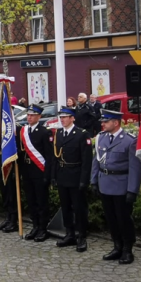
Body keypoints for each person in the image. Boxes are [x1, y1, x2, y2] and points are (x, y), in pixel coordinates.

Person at [91, 110, 141, 264]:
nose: (103, 124)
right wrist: (93, 181)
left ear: (116, 123)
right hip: (105, 183)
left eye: (106, 121)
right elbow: (96, 161)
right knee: (111, 219)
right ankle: (117, 246)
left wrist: (132, 190)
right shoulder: (101, 138)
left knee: (123, 219)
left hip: (121, 186)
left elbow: (135, 168)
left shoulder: (129, 140)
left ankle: (127, 249)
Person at [52, 107, 93, 252]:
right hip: (63, 174)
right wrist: (54, 176)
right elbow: (55, 158)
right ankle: (69, 233)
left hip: (76, 175)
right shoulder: (59, 133)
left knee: (79, 207)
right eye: (61, 117)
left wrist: (84, 180)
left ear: (73, 118)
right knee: (65, 206)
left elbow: (87, 160)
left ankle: (81, 235)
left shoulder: (81, 134)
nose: (62, 119)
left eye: (65, 117)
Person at [17, 104, 53, 242]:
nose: (29, 117)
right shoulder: (24, 132)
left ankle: (43, 228)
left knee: (41, 202)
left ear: (39, 116)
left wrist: (47, 175)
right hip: (27, 172)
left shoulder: (44, 132)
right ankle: (35, 226)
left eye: (32, 115)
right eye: (28, 115)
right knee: (31, 201)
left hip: (39, 172)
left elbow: (49, 156)